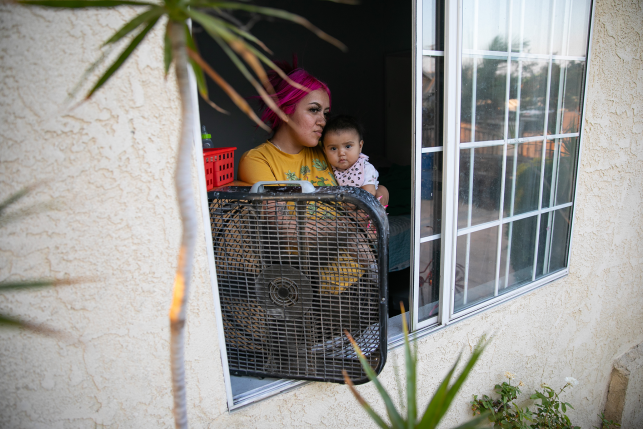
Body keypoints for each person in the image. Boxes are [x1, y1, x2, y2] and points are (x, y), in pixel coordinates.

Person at [238, 59, 389, 205]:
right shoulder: (258, 161)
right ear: (284, 112)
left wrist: (381, 192)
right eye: (314, 110)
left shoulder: (329, 149)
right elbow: (283, 225)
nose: (323, 121)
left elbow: (365, 179)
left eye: (325, 113)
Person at [321, 115, 379, 197]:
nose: (341, 153)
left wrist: (346, 204)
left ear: (360, 146)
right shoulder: (328, 168)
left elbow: (369, 192)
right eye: (333, 148)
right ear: (324, 150)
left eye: (348, 146)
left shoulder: (365, 168)